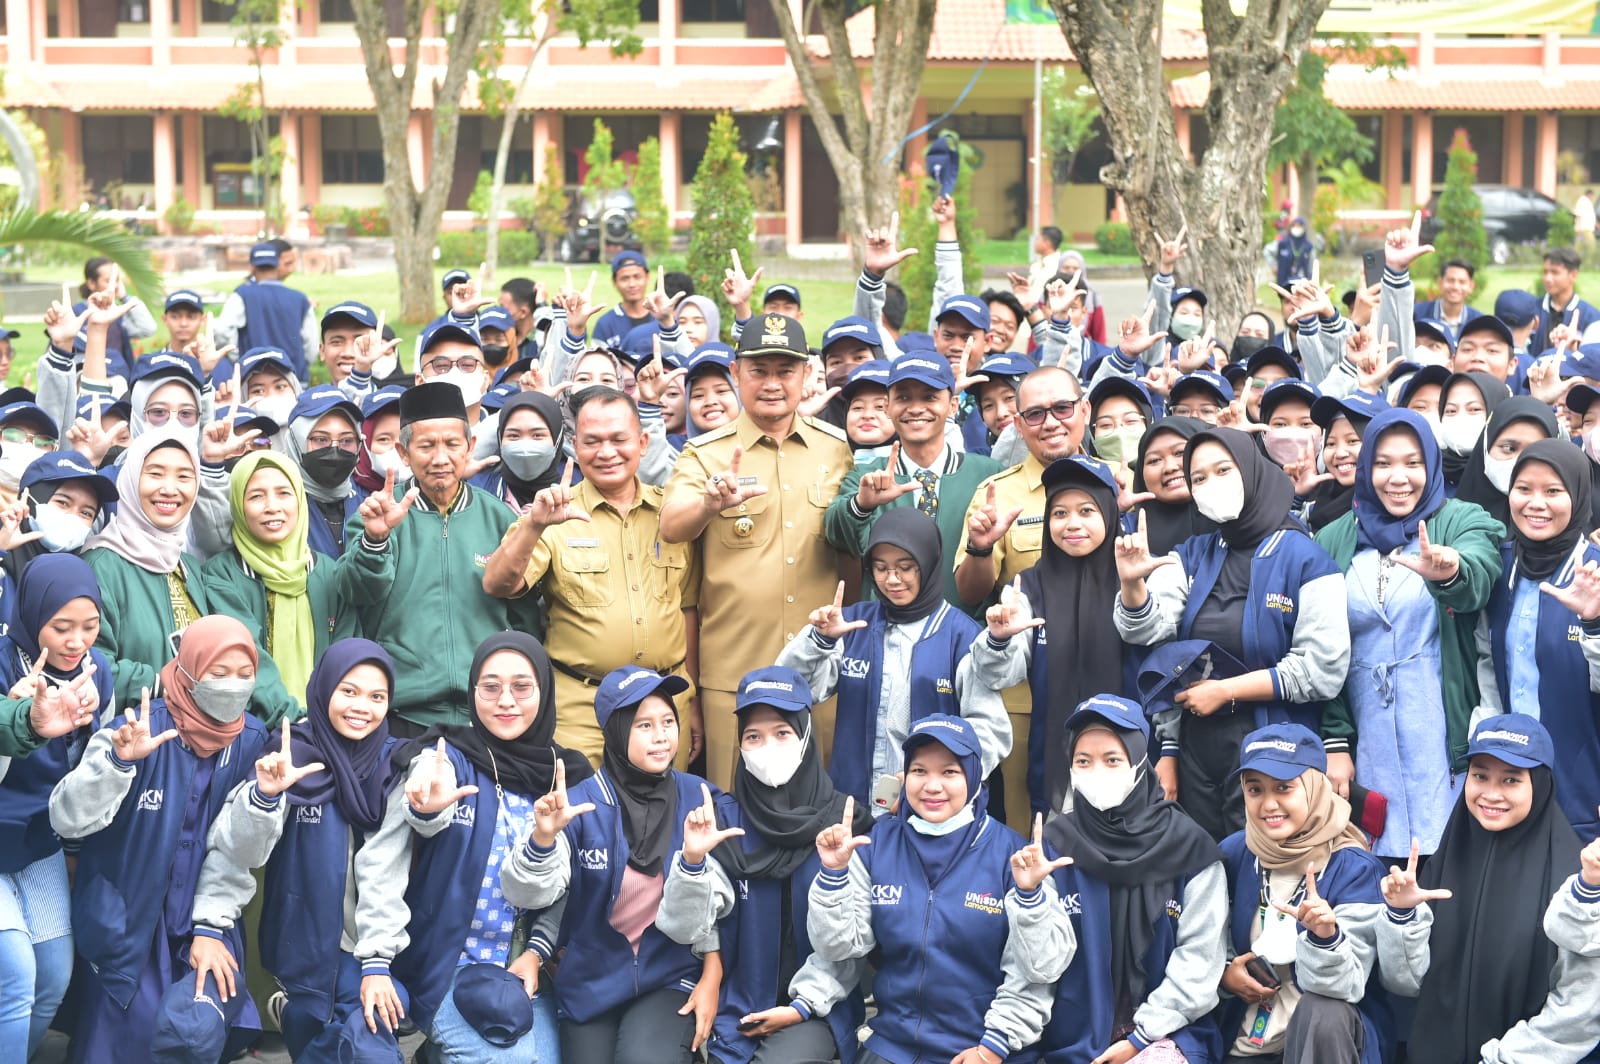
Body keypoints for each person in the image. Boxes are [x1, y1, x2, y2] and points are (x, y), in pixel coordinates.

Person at [352, 632, 592, 1062]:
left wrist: (537, 953)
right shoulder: (444, 756)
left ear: (544, 690)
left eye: (522, 686)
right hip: (446, 967)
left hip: (524, 971)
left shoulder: (563, 775)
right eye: (490, 686)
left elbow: (559, 891)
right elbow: (388, 854)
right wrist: (426, 804)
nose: (506, 700)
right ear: (472, 692)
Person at [48, 615, 270, 1063]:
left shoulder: (251, 740)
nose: (232, 687)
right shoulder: (138, 728)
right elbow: (66, 818)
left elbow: (237, 855)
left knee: (195, 1030)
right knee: (130, 1040)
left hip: (203, 920)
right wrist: (116, 762)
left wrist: (211, 929)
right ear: (187, 669)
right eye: (218, 674)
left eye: (245, 676)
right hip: (128, 924)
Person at [1114, 427, 1350, 839]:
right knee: (1205, 870)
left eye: (1223, 470)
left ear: (1252, 471)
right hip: (1198, 752)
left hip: (1276, 754)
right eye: (1199, 478)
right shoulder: (1193, 552)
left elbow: (1321, 669)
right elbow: (1151, 631)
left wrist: (1227, 690)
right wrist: (1133, 587)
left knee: (1261, 871)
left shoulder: (1306, 557)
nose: (1210, 485)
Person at [805, 713, 1069, 1064]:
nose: (932, 786)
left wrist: (993, 1047)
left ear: (974, 778)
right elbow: (838, 947)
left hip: (984, 1049)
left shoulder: (1012, 856)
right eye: (919, 771)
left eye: (949, 772)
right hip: (893, 1046)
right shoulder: (877, 844)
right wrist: (834, 874)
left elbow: (1041, 970)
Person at [186, 640, 405, 1063]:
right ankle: (291, 1011)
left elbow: (388, 867)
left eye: (377, 697)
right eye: (349, 691)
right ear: (323, 689)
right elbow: (239, 849)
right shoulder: (290, 755)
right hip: (301, 944)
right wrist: (265, 796)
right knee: (313, 1037)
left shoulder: (394, 764)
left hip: (370, 944)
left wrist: (377, 961)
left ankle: (292, 1013)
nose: (362, 706)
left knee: (371, 1046)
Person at [660, 314, 851, 789]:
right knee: (732, 814)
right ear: (735, 373)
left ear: (806, 375)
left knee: (817, 805)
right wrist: (709, 502)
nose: (771, 384)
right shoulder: (705, 454)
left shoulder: (837, 451)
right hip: (733, 677)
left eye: (784, 371)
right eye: (758, 371)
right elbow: (670, 525)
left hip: (819, 673)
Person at [499, 665, 724, 1063]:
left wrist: (711, 973)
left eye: (668, 721)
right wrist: (543, 840)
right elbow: (533, 896)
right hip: (591, 983)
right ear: (617, 733)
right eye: (643, 725)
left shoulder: (700, 798)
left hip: (667, 977)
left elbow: (715, 910)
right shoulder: (583, 805)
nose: (661, 736)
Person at [653, 666, 871, 1064]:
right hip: (738, 1005)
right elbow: (683, 928)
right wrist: (693, 862)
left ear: (806, 735)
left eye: (782, 733)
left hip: (816, 1009)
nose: (767, 747)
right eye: (754, 736)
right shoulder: (722, 818)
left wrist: (801, 1006)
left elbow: (850, 948)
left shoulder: (844, 820)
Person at [1312, 409, 1503, 860]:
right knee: (1378, 860)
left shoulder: (1457, 519)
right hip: (1368, 731)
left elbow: (1481, 569)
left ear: (1431, 466)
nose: (1399, 478)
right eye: (1383, 464)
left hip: (1438, 728)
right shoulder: (1331, 539)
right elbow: (1323, 647)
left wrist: (1452, 570)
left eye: (1413, 463)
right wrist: (1335, 741)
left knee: (1450, 857)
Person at [483, 386, 701, 767]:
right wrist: (533, 526)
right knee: (585, 817)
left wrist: (693, 699)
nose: (606, 452)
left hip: (664, 705)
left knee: (663, 818)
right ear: (573, 446)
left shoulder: (671, 513)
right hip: (582, 710)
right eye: (592, 441)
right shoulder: (552, 512)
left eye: (619, 439)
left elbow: (687, 610)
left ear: (643, 442)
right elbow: (498, 583)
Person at [1380, 714, 1600, 1064]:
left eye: (1511, 779)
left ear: (1540, 785)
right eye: (1480, 775)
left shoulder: (1578, 879)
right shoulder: (1445, 860)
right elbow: (1405, 983)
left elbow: (1581, 1011)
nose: (1491, 794)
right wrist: (1401, 915)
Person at [1028, 695, 1228, 1064]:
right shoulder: (1054, 847)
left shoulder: (1190, 848)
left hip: (1168, 1034)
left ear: (1139, 761)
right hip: (1074, 1040)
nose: (1096, 772)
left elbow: (1199, 965)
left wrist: (1140, 1038)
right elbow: (1038, 967)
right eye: (1082, 761)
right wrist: (1029, 898)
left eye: (1112, 760)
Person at [338, 382, 536, 734]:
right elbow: (356, 592)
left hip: (488, 712)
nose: (440, 458)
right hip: (402, 713)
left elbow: (525, 619)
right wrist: (376, 538)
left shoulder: (500, 519)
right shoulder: (377, 514)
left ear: (470, 447)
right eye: (426, 446)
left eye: (452, 444)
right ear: (403, 452)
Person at [778, 509, 1010, 807]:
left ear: (928, 564)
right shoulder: (853, 624)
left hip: (934, 809)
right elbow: (789, 689)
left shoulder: (961, 635)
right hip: (855, 805)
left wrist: (936, 779)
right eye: (880, 568)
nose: (892, 579)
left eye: (906, 567)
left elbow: (992, 730)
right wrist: (818, 640)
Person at [1214, 724, 1395, 1064]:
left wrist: (1327, 938)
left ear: (1314, 787)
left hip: (1324, 1045)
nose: (1269, 804)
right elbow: (1202, 941)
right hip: (1246, 1040)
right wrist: (1224, 972)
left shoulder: (1355, 868)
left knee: (1323, 1009)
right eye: (1255, 789)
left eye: (1284, 788)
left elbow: (1349, 986)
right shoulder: (1235, 853)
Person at [0, 554, 114, 1059]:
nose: (76, 641)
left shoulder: (96, 674)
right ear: (29, 615)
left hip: (37, 841)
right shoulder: (4, 664)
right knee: (16, 972)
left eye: (89, 626)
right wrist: (18, 717)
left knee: (52, 976)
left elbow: (84, 775)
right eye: (60, 627)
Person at [972, 456, 1131, 817]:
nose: (1071, 524)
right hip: (1055, 763)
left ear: (1109, 512)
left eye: (1087, 511)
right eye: (1059, 513)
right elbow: (1000, 673)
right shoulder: (1029, 585)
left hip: (1132, 758)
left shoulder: (1134, 575)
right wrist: (998, 639)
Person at [1480, 440, 1600, 838]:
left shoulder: (1594, 572)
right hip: (1511, 782)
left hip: (1583, 787)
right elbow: (1488, 661)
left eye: (1553, 491)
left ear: (1579, 494)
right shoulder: (1503, 563)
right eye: (1524, 488)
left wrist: (1594, 623)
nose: (1536, 503)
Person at [826, 354, 1004, 607]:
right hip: (886, 632)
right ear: (888, 407)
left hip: (966, 632)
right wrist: (861, 506)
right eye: (904, 397)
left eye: (930, 397)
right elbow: (835, 532)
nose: (916, 408)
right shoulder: (868, 475)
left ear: (953, 405)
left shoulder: (988, 474)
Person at [202, 451, 352, 718]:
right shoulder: (222, 574)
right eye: (256, 496)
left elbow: (345, 654)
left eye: (284, 493)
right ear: (237, 504)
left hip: (329, 724)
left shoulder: (328, 572)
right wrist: (296, 720)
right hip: (254, 727)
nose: (272, 506)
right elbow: (246, 656)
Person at [81, 430, 218, 711]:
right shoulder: (101, 566)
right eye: (155, 474)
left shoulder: (187, 565)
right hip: (131, 737)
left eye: (183, 477)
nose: (169, 488)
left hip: (195, 738)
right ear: (130, 480)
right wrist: (165, 684)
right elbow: (88, 664)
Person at [278, 385, 364, 557]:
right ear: (296, 443)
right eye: (320, 439)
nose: (334, 450)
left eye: (346, 440)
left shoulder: (370, 500)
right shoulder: (276, 504)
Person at [1453, 394, 1561, 531]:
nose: (1519, 462)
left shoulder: (1581, 535)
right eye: (1509, 448)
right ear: (1486, 447)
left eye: (1535, 451)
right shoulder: (1448, 523)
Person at [214, 243, 317, 384]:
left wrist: (238, 359)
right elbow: (311, 346)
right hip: (293, 380)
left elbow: (222, 331)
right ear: (277, 264)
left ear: (252, 266)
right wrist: (302, 365)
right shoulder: (300, 299)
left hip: (254, 380)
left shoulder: (242, 295)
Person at [1132, 416, 1216, 556]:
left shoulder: (1239, 518)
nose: (1169, 467)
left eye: (1180, 453)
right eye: (1154, 460)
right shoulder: (1129, 533)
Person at [469, 390, 564, 512]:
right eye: (514, 436)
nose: (525, 448)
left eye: (537, 435)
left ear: (557, 439)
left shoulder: (573, 498)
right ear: (500, 439)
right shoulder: (474, 491)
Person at [1436, 370, 1510, 492]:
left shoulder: (1513, 476)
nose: (1460, 419)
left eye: (1474, 409)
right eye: (1451, 411)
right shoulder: (1429, 475)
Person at [1413, 260, 1482, 340]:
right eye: (1450, 281)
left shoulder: (1479, 322)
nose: (1455, 287)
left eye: (1462, 282)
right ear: (1440, 282)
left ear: (1471, 286)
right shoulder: (1417, 314)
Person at [1275, 218, 1315, 289]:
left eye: (1299, 226)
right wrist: (1273, 266)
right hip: (1284, 282)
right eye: (1294, 226)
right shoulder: (1283, 243)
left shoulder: (1308, 246)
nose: (1296, 228)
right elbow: (1268, 251)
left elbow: (1312, 264)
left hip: (1302, 283)